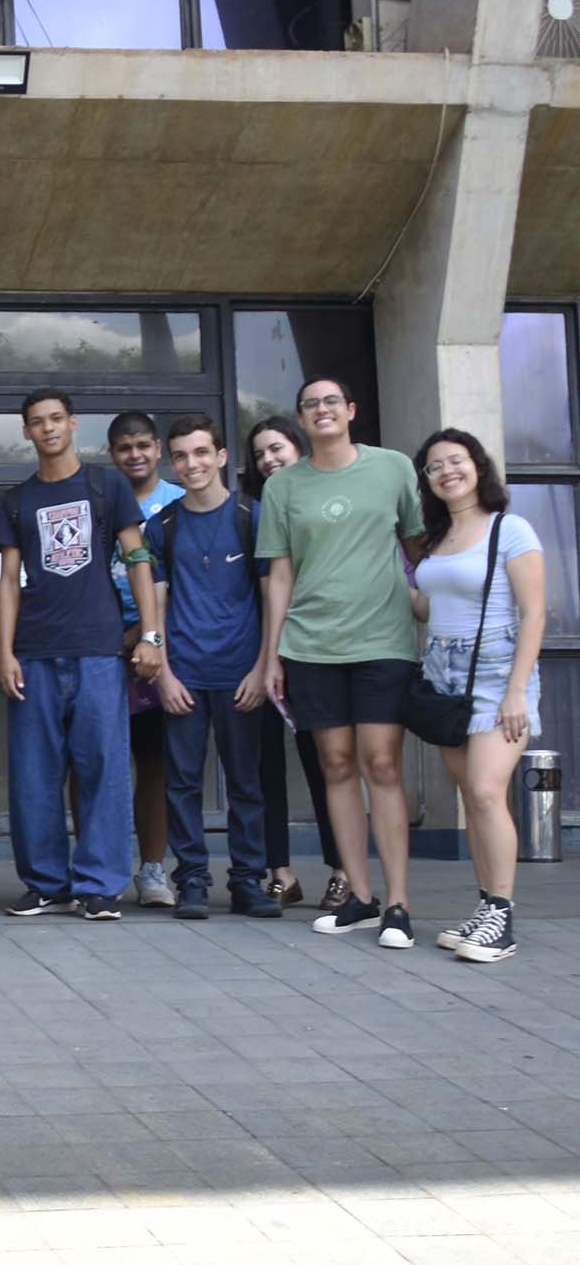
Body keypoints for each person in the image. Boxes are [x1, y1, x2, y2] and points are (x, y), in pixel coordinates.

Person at [255, 376, 425, 948]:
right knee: (335, 765)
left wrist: (431, 604)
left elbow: (417, 545)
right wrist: (272, 654)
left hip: (383, 641)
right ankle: (360, 895)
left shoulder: (393, 468)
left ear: (350, 410)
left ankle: (398, 902)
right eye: (311, 405)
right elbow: (279, 575)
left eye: (332, 401)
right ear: (301, 421)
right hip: (310, 646)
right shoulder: (284, 488)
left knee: (381, 765)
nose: (322, 410)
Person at [0, 388, 165, 920]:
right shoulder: (17, 501)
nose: (47, 429)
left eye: (56, 419)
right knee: (33, 774)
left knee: (104, 769)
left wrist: (152, 635)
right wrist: (4, 651)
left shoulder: (105, 483)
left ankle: (100, 886)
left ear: (72, 424)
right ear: (26, 432)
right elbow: (7, 581)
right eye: (36, 422)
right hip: (35, 650)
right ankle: (46, 883)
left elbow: (137, 556)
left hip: (98, 649)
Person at [415, 430, 544, 965]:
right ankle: (488, 907)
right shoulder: (436, 539)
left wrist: (517, 690)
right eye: (434, 466)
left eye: (456, 461)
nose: (447, 471)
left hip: (496, 671)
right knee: (472, 795)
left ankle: (503, 917)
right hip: (444, 675)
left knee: (489, 791)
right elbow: (428, 609)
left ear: (478, 466)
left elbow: (536, 612)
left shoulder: (509, 528)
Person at [146, 415, 271, 920]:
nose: (191, 464)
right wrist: (165, 674)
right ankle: (192, 880)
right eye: (180, 456)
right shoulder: (164, 526)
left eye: (201, 453)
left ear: (221, 456)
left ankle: (248, 881)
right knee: (182, 783)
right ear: (171, 463)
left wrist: (264, 668)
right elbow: (155, 607)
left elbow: (271, 597)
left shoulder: (252, 515)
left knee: (246, 782)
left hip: (242, 673)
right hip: (185, 676)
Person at [244, 415, 347, 913]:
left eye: (276, 449)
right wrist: (266, 659)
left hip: (315, 652)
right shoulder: (255, 511)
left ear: (299, 448)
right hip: (264, 654)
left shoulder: (317, 505)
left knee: (327, 764)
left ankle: (342, 870)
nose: (268, 460)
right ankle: (280, 872)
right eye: (260, 453)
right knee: (266, 768)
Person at [106, 411, 189, 908]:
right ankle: (96, 865)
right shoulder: (104, 500)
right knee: (93, 761)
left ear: (158, 448)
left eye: (142, 445)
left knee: (153, 761)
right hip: (101, 649)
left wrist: (144, 633)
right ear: (112, 454)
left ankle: (153, 869)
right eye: (124, 448)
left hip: (158, 651)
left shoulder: (178, 505)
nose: (134, 455)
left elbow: (184, 582)